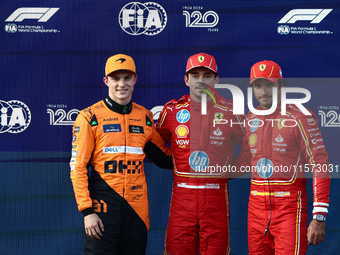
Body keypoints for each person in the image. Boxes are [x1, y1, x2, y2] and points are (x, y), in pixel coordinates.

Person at [70, 54, 173, 255]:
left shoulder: (144, 117)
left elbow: (165, 158)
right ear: (106, 81)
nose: (121, 84)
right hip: (102, 210)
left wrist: (198, 146)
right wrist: (87, 211)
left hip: (137, 210)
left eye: (127, 78)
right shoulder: (89, 117)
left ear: (135, 79)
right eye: (116, 79)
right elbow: (78, 167)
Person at [233, 60, 331, 254]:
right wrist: (210, 172)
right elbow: (245, 160)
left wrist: (319, 216)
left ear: (281, 86)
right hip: (256, 210)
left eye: (269, 85)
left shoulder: (300, 116)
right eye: (258, 86)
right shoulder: (250, 118)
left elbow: (319, 164)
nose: (263, 91)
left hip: (289, 208)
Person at [156, 53, 245, 255]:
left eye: (207, 75)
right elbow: (155, 146)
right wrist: (177, 163)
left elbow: (251, 150)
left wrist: (225, 172)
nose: (201, 80)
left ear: (216, 79)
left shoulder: (231, 111)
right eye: (195, 75)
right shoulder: (171, 111)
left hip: (216, 199)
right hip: (181, 198)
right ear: (186, 80)